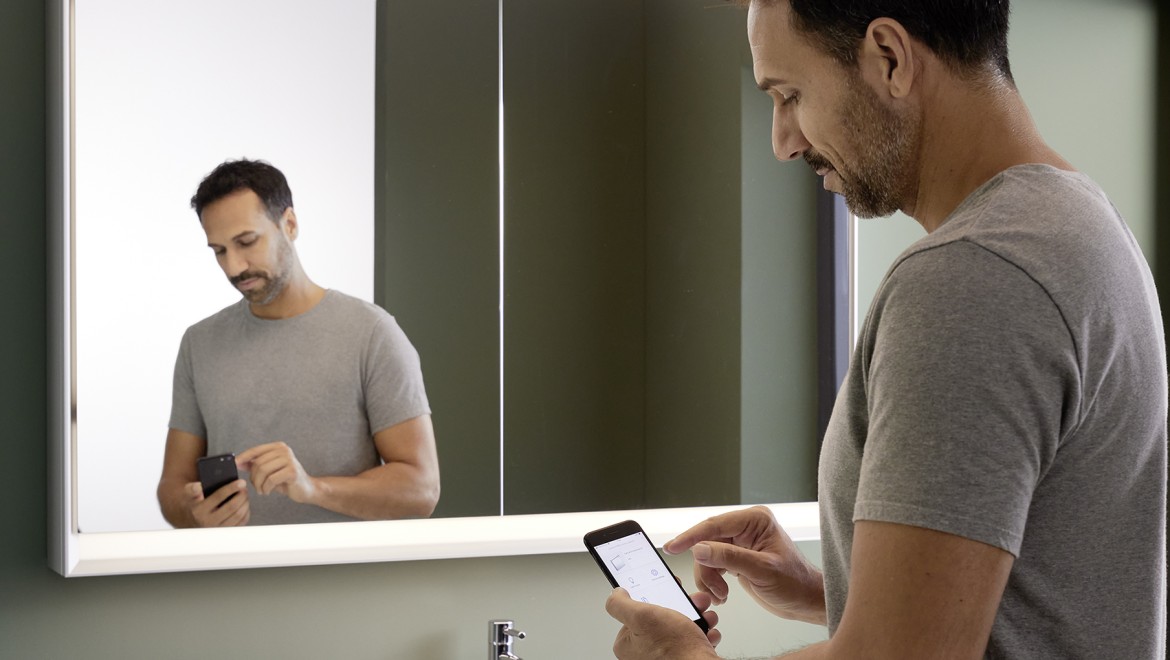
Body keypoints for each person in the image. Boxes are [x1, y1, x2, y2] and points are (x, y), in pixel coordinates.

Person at [605, 1, 1167, 658]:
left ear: (890, 58)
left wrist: (686, 657)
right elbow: (1039, 601)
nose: (783, 142)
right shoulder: (1081, 226)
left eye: (790, 95)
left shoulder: (972, 278)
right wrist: (827, 590)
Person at [156, 158, 440, 527]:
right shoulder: (199, 344)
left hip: (341, 579)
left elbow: (421, 489)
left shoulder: (371, 334)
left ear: (289, 224)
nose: (234, 267)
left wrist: (312, 488)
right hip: (232, 580)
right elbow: (172, 489)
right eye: (219, 251)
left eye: (246, 242)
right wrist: (193, 511)